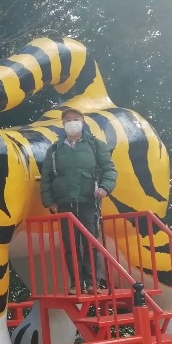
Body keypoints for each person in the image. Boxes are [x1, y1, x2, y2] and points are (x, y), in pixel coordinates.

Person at [40, 107, 117, 294]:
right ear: (63, 124)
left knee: (91, 243)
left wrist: (105, 187)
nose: (71, 122)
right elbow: (46, 177)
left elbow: (109, 169)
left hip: (88, 201)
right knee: (70, 246)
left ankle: (92, 283)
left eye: (75, 118)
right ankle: (76, 284)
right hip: (64, 202)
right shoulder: (54, 149)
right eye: (67, 119)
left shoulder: (95, 145)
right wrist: (49, 201)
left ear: (82, 122)